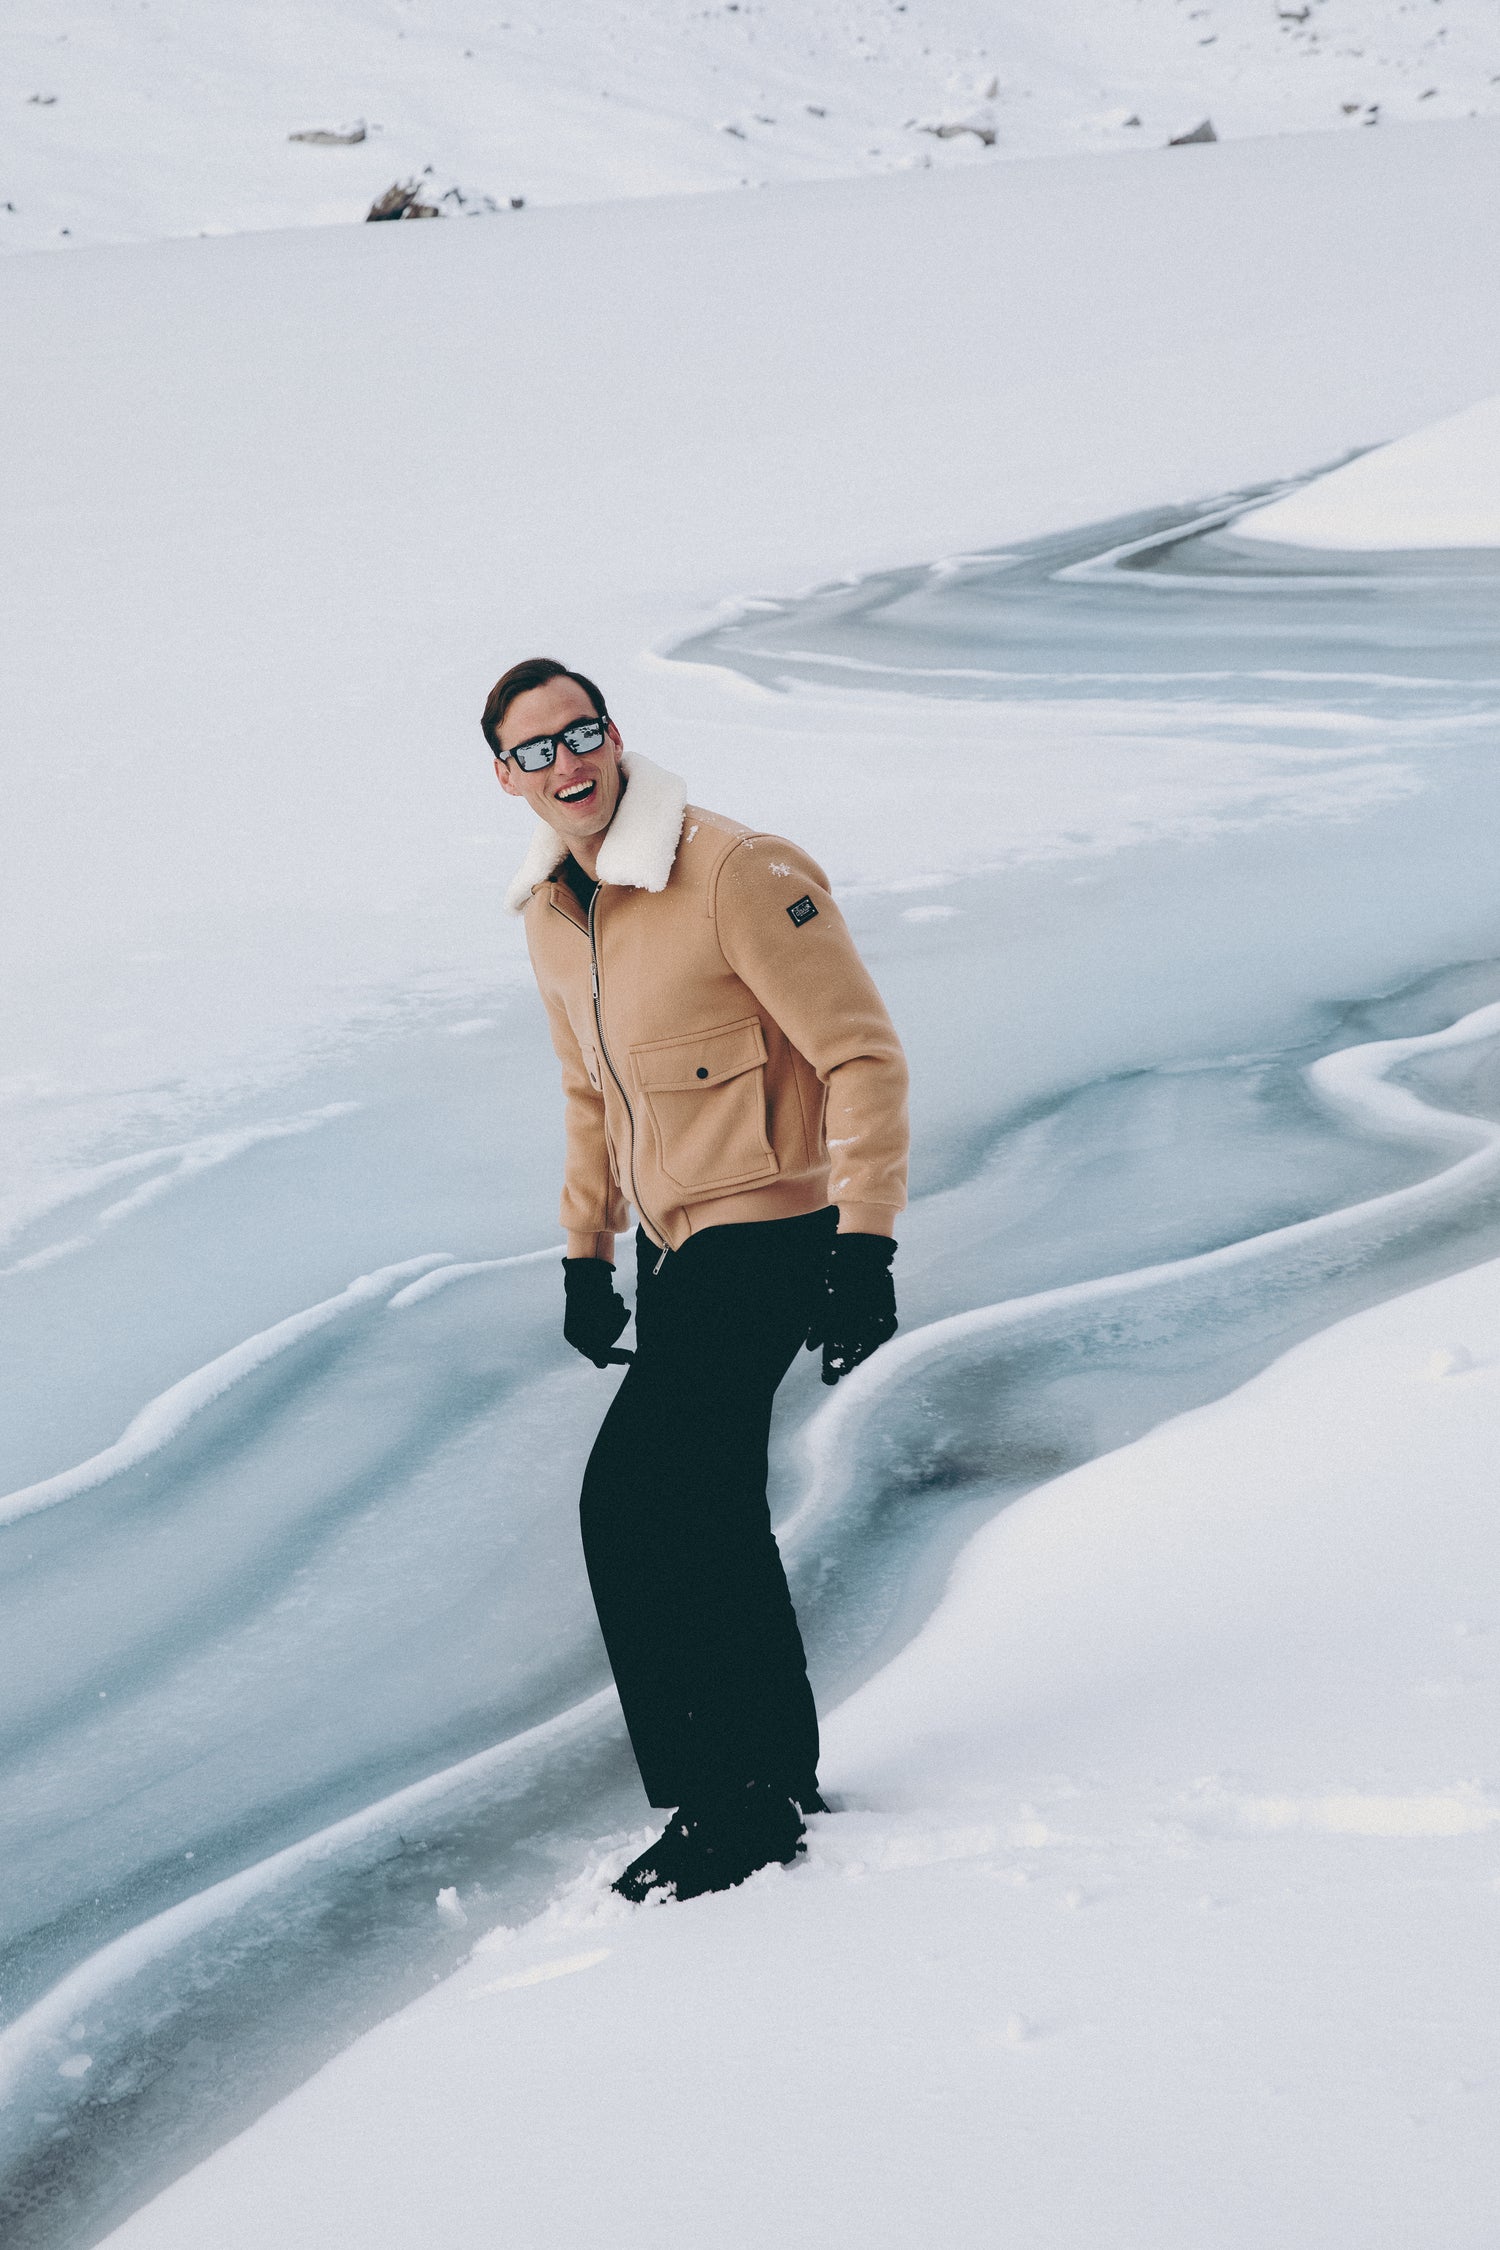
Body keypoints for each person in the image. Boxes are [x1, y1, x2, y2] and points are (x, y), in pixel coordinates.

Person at [484, 656, 909, 1902]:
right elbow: (589, 1095)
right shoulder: (552, 913)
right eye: (535, 750)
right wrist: (586, 1253)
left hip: (777, 1229)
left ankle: (726, 1803)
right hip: (676, 1250)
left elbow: (863, 1058)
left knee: (634, 1502)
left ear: (615, 735)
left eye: (582, 732)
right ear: (506, 777)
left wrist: (866, 1244)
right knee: (709, 1511)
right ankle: (775, 1785)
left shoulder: (735, 871)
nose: (567, 762)